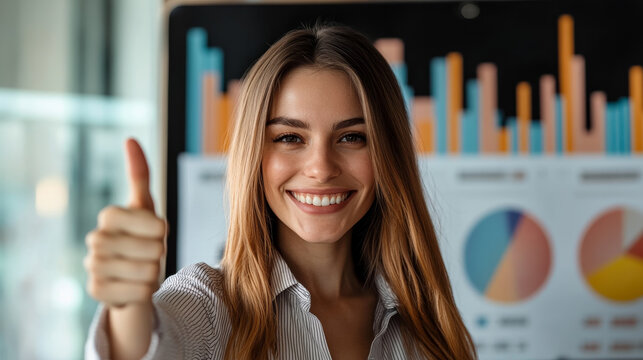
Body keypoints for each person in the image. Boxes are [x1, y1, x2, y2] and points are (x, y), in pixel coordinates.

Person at [84, 24, 477, 360]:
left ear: (388, 153)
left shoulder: (425, 327)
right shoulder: (208, 304)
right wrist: (128, 307)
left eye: (353, 137)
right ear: (254, 153)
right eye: (290, 137)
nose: (321, 168)